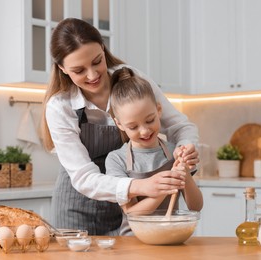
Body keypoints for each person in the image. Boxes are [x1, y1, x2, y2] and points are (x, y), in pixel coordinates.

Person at [41, 18, 200, 235]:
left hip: (130, 207)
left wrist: (185, 148)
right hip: (76, 206)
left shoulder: (129, 78)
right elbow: (84, 178)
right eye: (79, 70)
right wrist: (141, 186)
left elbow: (180, 126)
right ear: (62, 68)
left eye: (97, 61)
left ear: (103, 49)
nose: (92, 75)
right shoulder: (60, 106)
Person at [105, 67, 203, 235]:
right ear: (119, 124)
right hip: (133, 244)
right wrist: (162, 189)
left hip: (171, 238)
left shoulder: (175, 152)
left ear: (159, 110)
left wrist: (185, 173)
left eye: (150, 120)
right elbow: (132, 213)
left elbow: (196, 206)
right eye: (133, 126)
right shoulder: (116, 160)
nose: (144, 131)